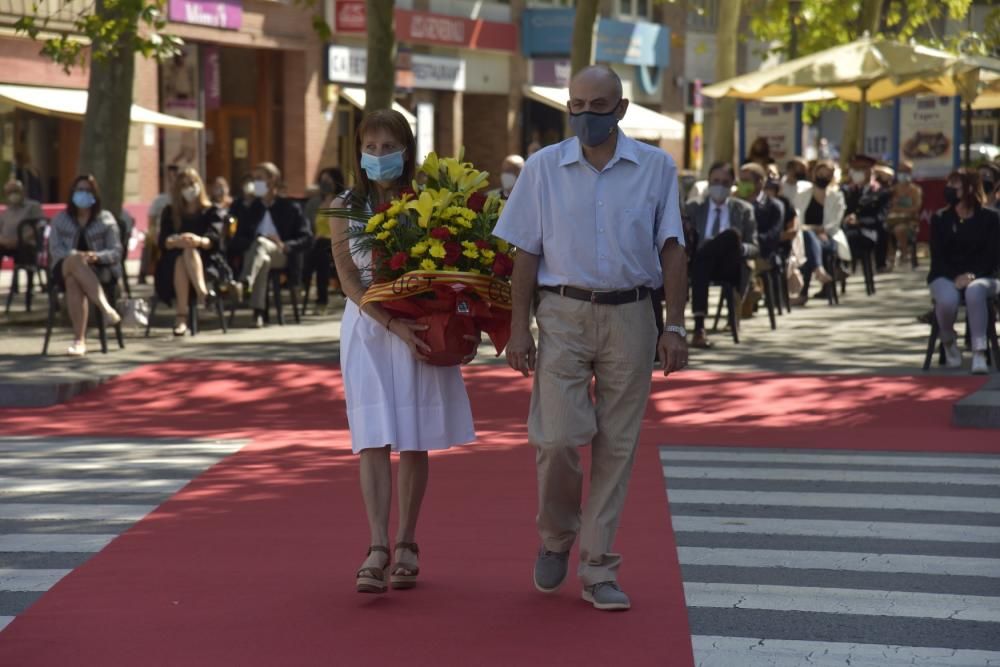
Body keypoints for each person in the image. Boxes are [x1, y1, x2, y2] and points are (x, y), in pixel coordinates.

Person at [495, 66, 688, 612]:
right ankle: (556, 538)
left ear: (621, 109)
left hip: (633, 316)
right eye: (576, 105)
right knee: (555, 439)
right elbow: (524, 254)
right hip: (562, 313)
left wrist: (674, 325)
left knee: (616, 447)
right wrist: (517, 329)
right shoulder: (542, 169)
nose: (586, 115)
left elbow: (672, 248)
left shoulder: (656, 168)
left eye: (598, 105)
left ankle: (599, 567)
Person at [329, 110, 478, 595]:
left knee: (414, 436)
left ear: (406, 150)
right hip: (371, 329)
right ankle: (376, 546)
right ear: (358, 154)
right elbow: (350, 281)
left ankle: (408, 542)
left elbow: (458, 267)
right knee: (372, 436)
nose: (378, 156)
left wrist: (461, 324)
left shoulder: (432, 201)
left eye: (387, 147)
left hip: (422, 326)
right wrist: (389, 320)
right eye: (369, 148)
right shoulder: (344, 206)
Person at [927, 169, 1000, 375]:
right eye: (948, 185)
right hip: (945, 275)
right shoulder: (940, 218)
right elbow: (938, 257)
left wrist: (973, 275)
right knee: (948, 299)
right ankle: (949, 341)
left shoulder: (990, 219)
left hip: (984, 276)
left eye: (955, 186)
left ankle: (979, 352)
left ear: (969, 189)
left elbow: (993, 257)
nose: (949, 190)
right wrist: (955, 277)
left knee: (975, 291)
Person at [229, 162, 311, 328]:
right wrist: (255, 241)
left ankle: (244, 284)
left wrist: (284, 244)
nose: (255, 183)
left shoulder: (290, 207)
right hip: (257, 255)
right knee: (262, 257)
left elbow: (307, 238)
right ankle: (258, 314)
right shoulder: (251, 209)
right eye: (254, 179)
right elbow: (237, 239)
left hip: (281, 254)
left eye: (259, 178)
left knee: (261, 246)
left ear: (272, 180)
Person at [685, 161, 758, 348]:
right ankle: (699, 329)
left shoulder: (743, 210)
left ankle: (699, 328)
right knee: (701, 260)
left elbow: (755, 247)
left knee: (731, 235)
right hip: (699, 265)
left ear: (732, 184)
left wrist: (739, 247)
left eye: (725, 182)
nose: (720, 186)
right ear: (708, 182)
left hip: (729, 265)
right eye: (716, 181)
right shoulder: (694, 207)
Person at [47, 175, 123, 356]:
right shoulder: (60, 219)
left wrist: (96, 256)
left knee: (73, 280)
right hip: (63, 266)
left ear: (95, 195)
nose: (83, 194)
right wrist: (76, 256)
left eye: (88, 191)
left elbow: (116, 251)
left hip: (98, 269)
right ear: (72, 194)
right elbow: (55, 250)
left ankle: (79, 341)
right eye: (79, 190)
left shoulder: (105, 219)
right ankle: (106, 309)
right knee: (74, 261)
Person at [153, 167, 224, 336]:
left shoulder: (211, 211)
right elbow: (163, 241)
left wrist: (197, 240)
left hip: (205, 261)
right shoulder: (170, 212)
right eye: (184, 185)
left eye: (192, 184)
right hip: (171, 263)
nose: (189, 188)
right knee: (181, 257)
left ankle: (181, 318)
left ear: (199, 185)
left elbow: (214, 240)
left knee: (189, 251)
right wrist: (177, 241)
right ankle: (204, 294)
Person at [791, 160, 844, 305]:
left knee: (806, 241)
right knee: (807, 240)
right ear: (814, 174)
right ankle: (819, 270)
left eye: (827, 175)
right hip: (805, 235)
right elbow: (797, 216)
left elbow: (834, 223)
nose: (823, 177)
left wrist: (816, 229)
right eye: (820, 174)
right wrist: (811, 229)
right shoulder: (803, 194)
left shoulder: (837, 197)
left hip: (828, 238)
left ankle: (803, 293)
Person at [302, 167, 345, 314]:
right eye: (322, 180)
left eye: (328, 180)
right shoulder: (314, 203)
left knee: (319, 253)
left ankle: (305, 284)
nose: (324, 183)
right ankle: (320, 299)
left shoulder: (344, 202)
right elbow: (306, 226)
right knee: (320, 256)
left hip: (339, 242)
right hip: (318, 244)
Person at [842, 154, 891, 272]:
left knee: (883, 229)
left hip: (871, 231)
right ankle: (842, 267)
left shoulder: (881, 192)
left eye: (861, 169)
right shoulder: (847, 191)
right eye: (855, 169)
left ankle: (880, 264)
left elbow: (880, 217)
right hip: (848, 229)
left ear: (870, 170)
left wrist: (859, 221)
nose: (857, 172)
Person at [141, 165, 179, 284]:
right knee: (150, 242)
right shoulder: (159, 200)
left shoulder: (184, 201)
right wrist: (152, 235)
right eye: (170, 177)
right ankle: (145, 272)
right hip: (160, 234)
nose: (173, 181)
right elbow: (151, 221)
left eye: (175, 177)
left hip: (178, 234)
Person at [887, 161, 923, 270]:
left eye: (906, 171)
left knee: (900, 229)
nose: (903, 174)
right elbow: (890, 207)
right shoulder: (893, 189)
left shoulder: (915, 190)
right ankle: (890, 256)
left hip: (910, 221)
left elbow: (916, 207)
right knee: (884, 230)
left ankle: (904, 255)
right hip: (893, 220)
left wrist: (901, 210)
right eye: (901, 171)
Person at [0, 180, 44, 256]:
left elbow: (40, 225)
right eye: (10, 192)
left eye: (15, 191)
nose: (13, 194)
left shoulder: (33, 206)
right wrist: (4, 241)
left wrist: (20, 240)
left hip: (25, 244)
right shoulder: (6, 211)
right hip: (5, 244)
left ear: (22, 191)